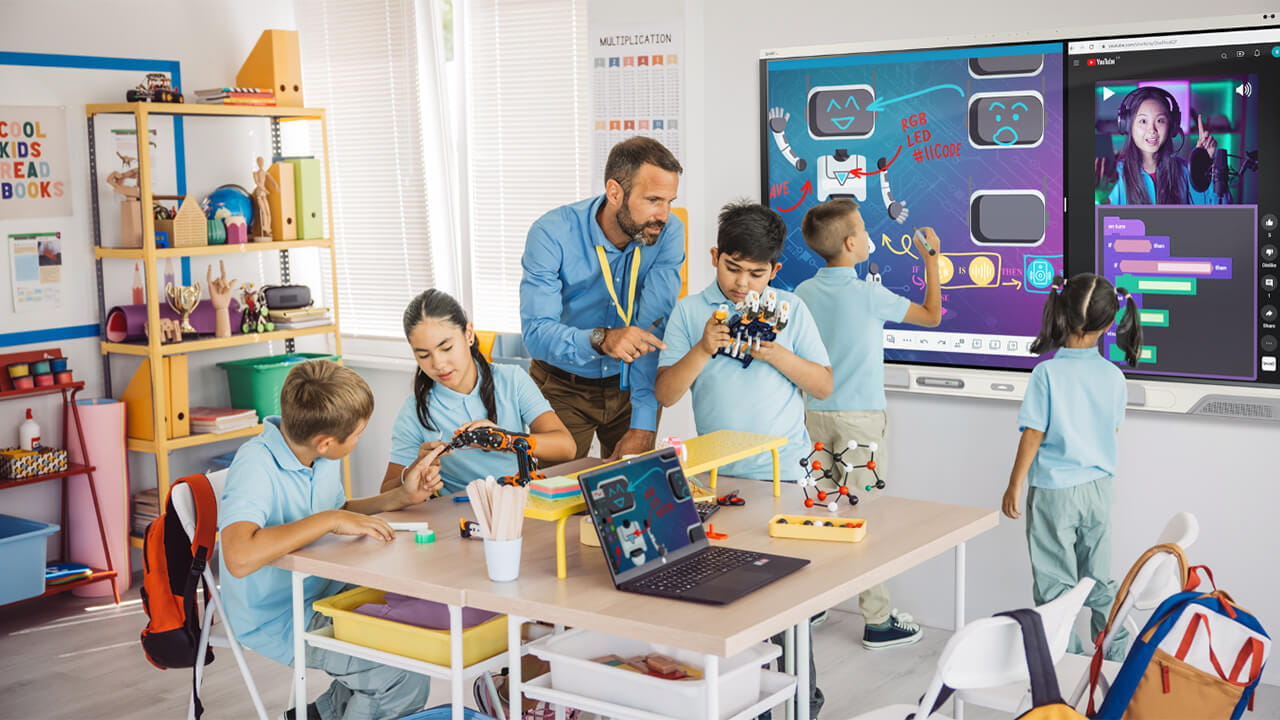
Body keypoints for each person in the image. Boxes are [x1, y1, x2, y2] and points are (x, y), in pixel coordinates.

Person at [655, 200, 832, 717]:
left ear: (775, 271)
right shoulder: (691, 313)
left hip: (787, 479)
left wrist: (777, 353)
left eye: (756, 273)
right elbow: (666, 394)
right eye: (732, 268)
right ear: (714, 257)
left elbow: (822, 384)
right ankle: (738, 698)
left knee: (789, 598)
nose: (742, 283)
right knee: (729, 594)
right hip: (720, 481)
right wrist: (702, 349)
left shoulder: (792, 310)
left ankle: (803, 697)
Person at [219, 359, 437, 720]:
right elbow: (239, 556)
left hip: (327, 592)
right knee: (399, 675)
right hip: (279, 615)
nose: (359, 439)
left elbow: (337, 513)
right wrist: (330, 519)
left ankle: (322, 714)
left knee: (414, 640)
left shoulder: (317, 457)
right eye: (358, 434)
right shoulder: (255, 465)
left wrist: (399, 498)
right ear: (326, 442)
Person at [794, 199, 940, 650]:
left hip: (812, 415)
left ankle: (813, 603)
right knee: (863, 518)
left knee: (817, 511)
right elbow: (932, 315)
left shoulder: (801, 293)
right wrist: (930, 260)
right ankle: (878, 621)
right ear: (852, 243)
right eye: (861, 227)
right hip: (859, 420)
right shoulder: (868, 294)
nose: (867, 232)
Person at [1001, 273, 1143, 660]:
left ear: (1060, 311)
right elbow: (1112, 428)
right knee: (1098, 575)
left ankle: (1069, 658)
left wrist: (1014, 485)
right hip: (1097, 490)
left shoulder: (1047, 374)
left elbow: (1033, 434)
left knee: (1054, 583)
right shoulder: (1114, 376)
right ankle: (1113, 657)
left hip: (1053, 492)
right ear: (1110, 323)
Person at [520, 137, 684, 460]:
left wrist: (643, 423)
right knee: (552, 499)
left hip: (631, 388)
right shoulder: (551, 233)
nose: (663, 215)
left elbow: (654, 331)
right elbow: (536, 334)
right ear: (614, 192)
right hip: (562, 386)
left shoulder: (668, 232)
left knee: (631, 500)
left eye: (670, 201)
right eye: (653, 200)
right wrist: (601, 339)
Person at [379, 289, 576, 495]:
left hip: (518, 501)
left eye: (446, 348)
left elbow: (566, 447)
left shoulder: (512, 379)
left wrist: (505, 440)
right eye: (423, 355)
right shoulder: (415, 410)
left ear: (469, 334)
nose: (438, 364)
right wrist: (417, 467)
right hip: (456, 512)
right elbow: (386, 492)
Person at [1105, 86, 1226, 205]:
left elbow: (1218, 213)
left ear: (1171, 126)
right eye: (1143, 121)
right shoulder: (1114, 175)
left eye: (1160, 120)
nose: (1152, 130)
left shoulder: (1185, 171)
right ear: (1128, 126)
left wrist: (1206, 166)